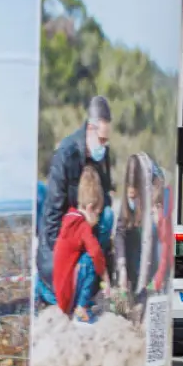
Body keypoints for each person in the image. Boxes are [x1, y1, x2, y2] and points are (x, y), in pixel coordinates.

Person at [39, 96, 113, 306]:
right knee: (62, 293)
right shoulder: (65, 154)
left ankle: (92, 275)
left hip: (87, 226)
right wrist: (63, 259)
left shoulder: (102, 155)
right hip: (66, 235)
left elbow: (105, 194)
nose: (104, 145)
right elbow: (53, 213)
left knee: (107, 215)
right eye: (101, 139)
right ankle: (52, 286)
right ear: (90, 128)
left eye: (107, 140)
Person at [52, 165, 109, 321]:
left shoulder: (69, 216)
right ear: (90, 208)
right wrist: (106, 278)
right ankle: (80, 308)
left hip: (58, 288)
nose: (97, 220)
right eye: (97, 214)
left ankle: (77, 301)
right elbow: (96, 253)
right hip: (66, 298)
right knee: (90, 260)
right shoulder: (82, 227)